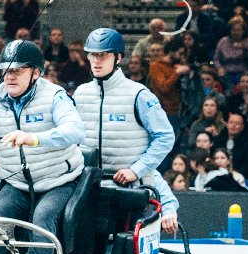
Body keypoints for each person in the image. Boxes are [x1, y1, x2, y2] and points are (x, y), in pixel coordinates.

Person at [0, 39, 85, 254]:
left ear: (35, 73)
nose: (9, 76)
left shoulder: (55, 95)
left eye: (16, 70)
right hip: (15, 181)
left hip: (59, 180)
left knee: (43, 218)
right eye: (5, 70)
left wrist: (33, 139)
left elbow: (76, 131)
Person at [72, 27, 180, 234]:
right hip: (88, 187)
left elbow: (165, 137)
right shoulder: (81, 93)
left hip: (129, 190)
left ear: (118, 57)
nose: (97, 61)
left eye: (103, 55)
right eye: (93, 55)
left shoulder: (139, 94)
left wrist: (135, 170)